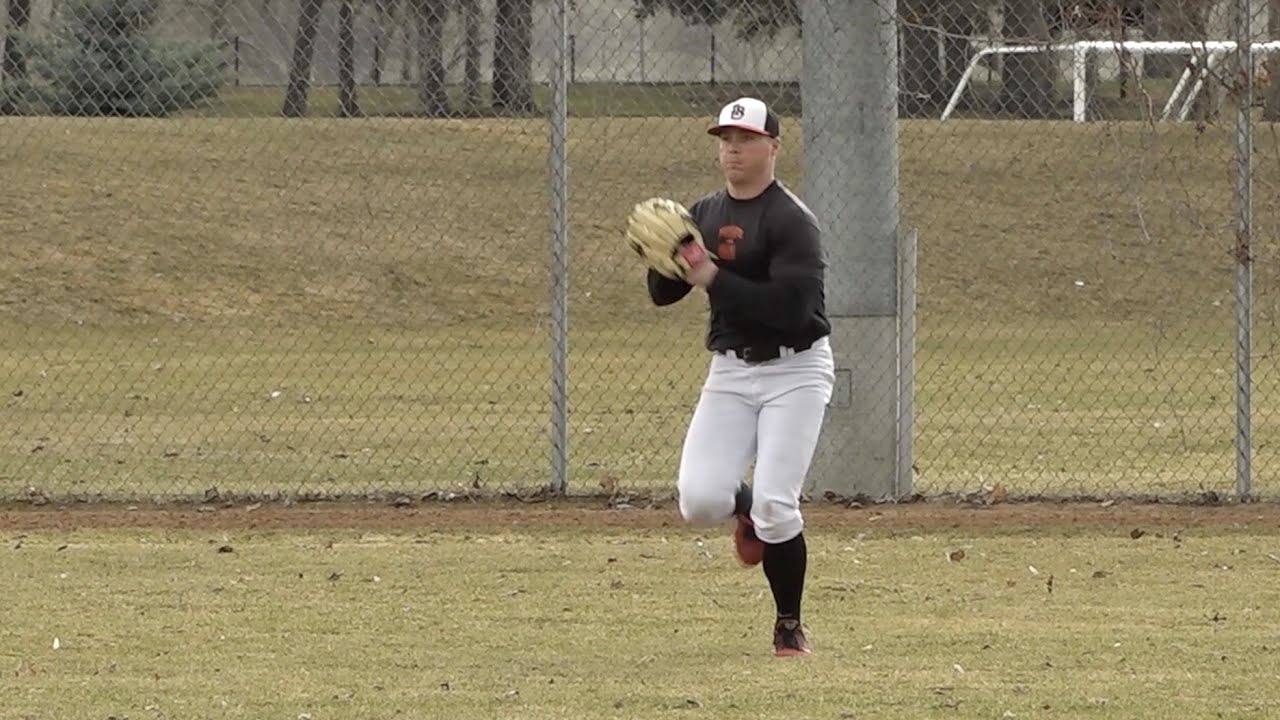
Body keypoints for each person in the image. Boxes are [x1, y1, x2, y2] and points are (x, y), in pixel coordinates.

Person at [645, 97, 835, 657]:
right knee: (699, 502)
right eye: (725, 138)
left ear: (773, 147)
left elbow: (790, 310)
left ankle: (788, 626)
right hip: (730, 372)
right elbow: (663, 295)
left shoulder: (792, 221)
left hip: (796, 368)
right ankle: (744, 509)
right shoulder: (702, 212)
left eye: (746, 138)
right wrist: (666, 258)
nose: (732, 149)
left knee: (780, 505)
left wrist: (710, 275)